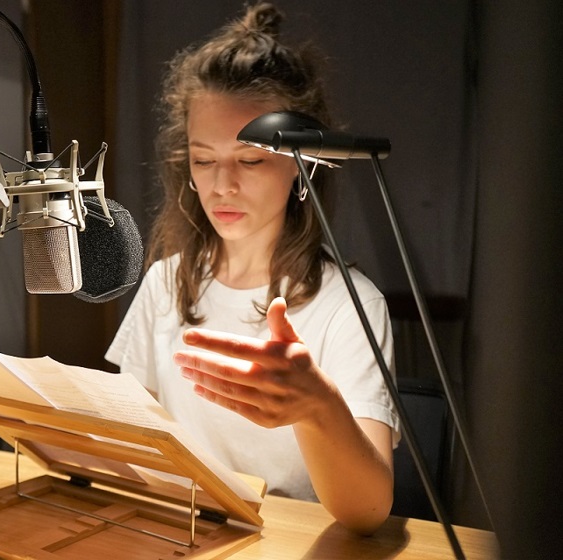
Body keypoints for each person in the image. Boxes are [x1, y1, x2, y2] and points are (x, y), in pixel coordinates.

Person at [104, 2, 398, 535]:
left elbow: (369, 512)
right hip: (183, 534)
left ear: (303, 163)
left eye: (251, 159)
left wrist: (318, 405)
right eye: (202, 159)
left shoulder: (348, 305)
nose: (222, 186)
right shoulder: (166, 282)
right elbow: (135, 444)